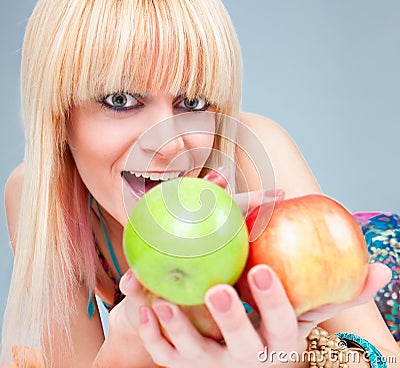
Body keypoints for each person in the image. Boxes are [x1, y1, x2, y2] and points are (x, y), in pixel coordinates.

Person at [1, 0, 399, 367]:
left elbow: (385, 356)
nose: (170, 141)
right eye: (120, 100)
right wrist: (127, 342)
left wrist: (290, 359)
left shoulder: (248, 151)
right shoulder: (40, 199)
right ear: (59, 114)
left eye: (191, 103)